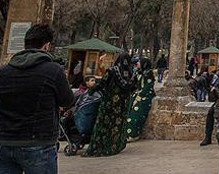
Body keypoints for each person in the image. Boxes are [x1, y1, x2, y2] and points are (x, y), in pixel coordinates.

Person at [0, 23, 75, 173]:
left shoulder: (4, 72)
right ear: (46, 45)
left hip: (5, 141)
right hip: (39, 142)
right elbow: (68, 100)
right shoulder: (53, 71)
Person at [84, 53, 138, 157]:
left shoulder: (112, 71)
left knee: (105, 125)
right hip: (123, 104)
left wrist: (90, 91)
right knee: (117, 126)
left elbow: (102, 84)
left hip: (109, 103)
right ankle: (114, 146)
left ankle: (100, 147)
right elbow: (134, 87)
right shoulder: (132, 73)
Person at [126, 57, 157, 141]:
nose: (137, 63)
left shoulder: (148, 73)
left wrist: (141, 95)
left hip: (146, 96)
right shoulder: (138, 72)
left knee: (136, 114)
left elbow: (148, 86)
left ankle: (133, 134)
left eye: (139, 62)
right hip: (137, 94)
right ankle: (127, 134)